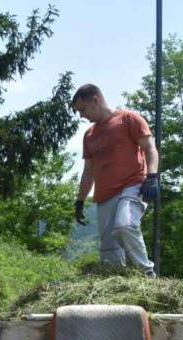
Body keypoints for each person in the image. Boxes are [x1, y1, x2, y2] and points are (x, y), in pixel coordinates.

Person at [71, 83, 159, 277]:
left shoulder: (129, 119)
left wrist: (152, 176)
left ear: (96, 99)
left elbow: (149, 148)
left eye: (83, 109)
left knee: (125, 226)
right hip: (104, 196)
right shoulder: (90, 135)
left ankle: (147, 275)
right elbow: (88, 172)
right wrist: (79, 201)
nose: (81, 115)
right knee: (109, 250)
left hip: (132, 186)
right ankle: (117, 288)